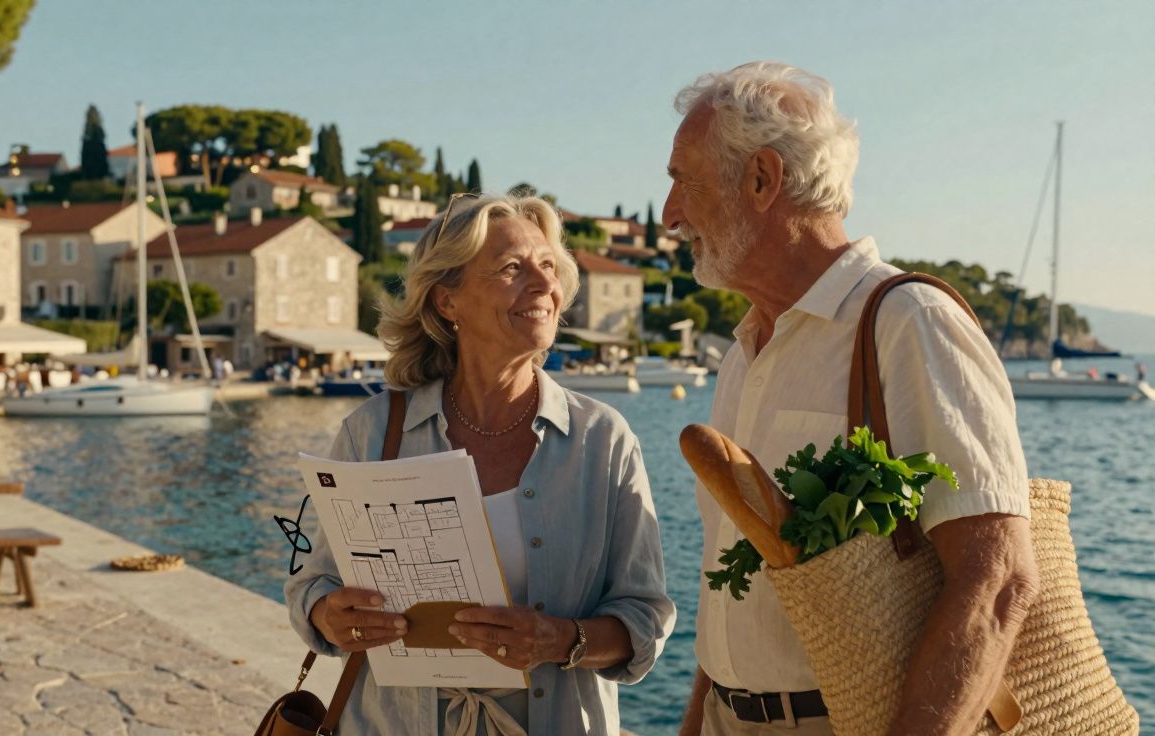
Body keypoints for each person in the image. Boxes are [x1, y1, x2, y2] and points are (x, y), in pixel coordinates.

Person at [662, 62, 1039, 736]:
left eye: (683, 182)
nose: (669, 215)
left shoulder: (910, 323)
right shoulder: (742, 354)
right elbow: (736, 593)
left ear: (762, 179)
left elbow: (999, 581)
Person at [285, 193, 675, 735]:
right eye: (513, 268)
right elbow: (312, 585)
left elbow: (647, 617)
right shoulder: (371, 431)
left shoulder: (604, 439)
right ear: (448, 302)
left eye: (548, 266)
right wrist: (331, 616)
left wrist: (559, 640)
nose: (543, 285)